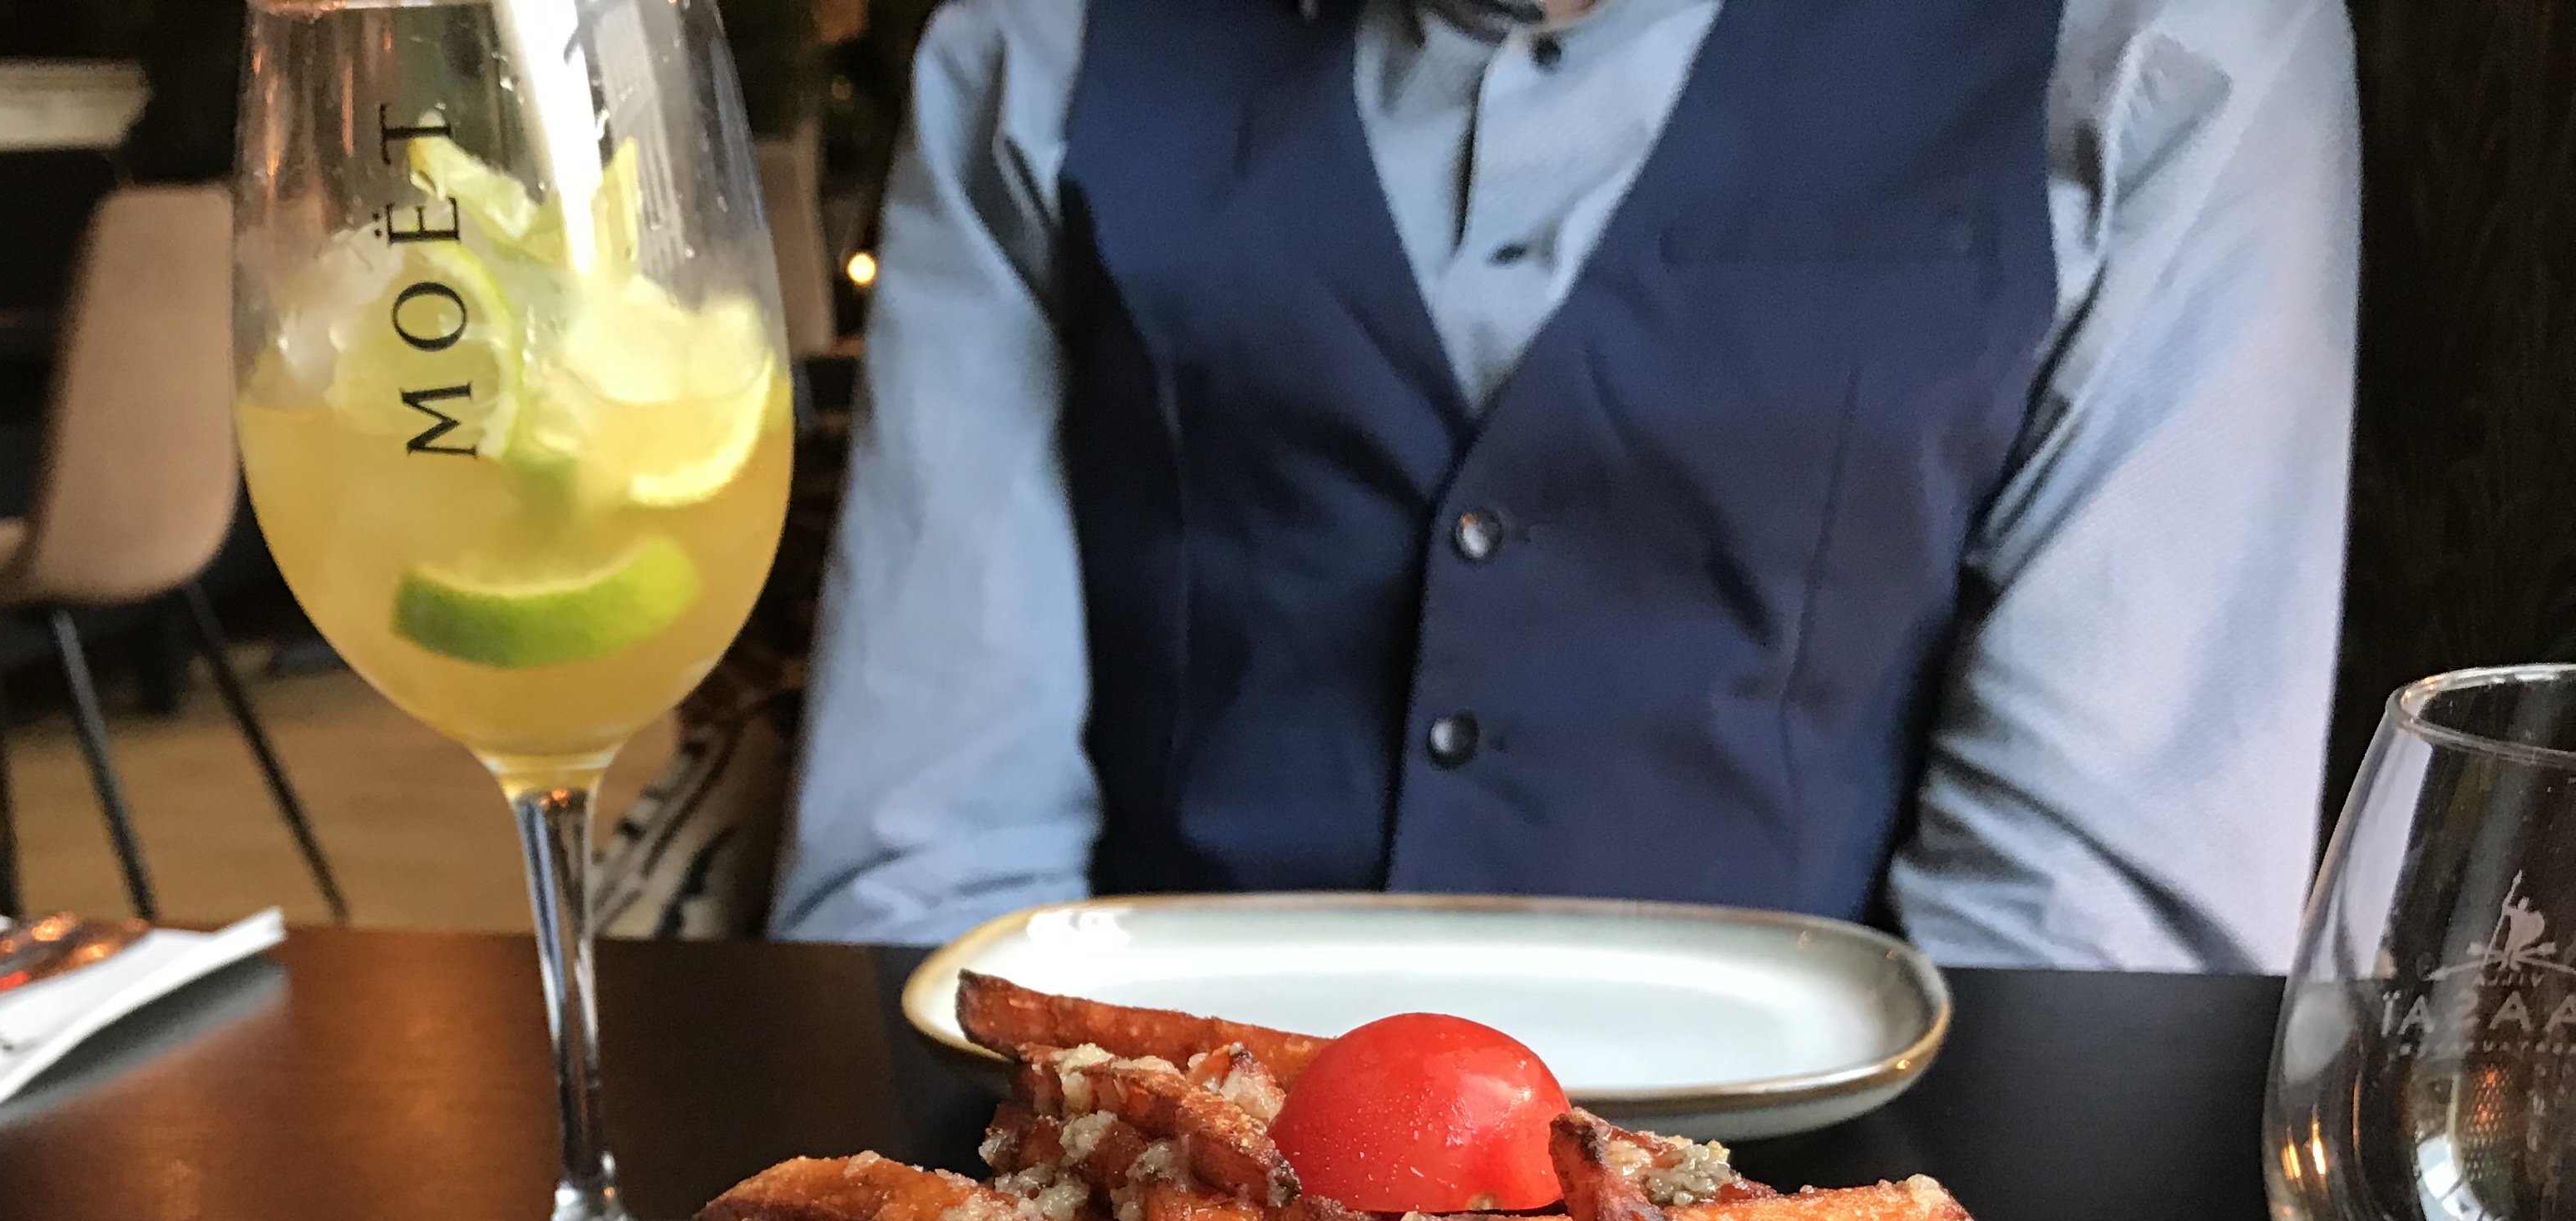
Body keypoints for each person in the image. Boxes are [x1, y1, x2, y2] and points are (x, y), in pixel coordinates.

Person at [769, 0, 2359, 971]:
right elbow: (926, 862)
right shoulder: (1031, 44)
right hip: (1155, 1195)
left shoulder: (2166, 47)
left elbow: (2087, 949)